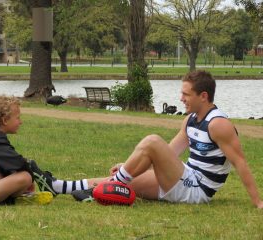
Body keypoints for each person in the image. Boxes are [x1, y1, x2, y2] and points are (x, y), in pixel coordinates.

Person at [73, 70, 263, 208]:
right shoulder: (190, 120)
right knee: (126, 179)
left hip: (196, 190)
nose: (181, 98)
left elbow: (240, 163)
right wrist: (129, 166)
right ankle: (59, 186)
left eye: (186, 94)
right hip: (183, 177)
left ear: (203, 96)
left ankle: (114, 182)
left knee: (153, 141)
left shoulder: (218, 124)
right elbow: (168, 155)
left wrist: (258, 202)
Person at [0, 95, 91, 206]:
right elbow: (19, 163)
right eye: (18, 118)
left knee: (8, 174)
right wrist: (32, 177)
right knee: (24, 177)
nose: (21, 122)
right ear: (5, 120)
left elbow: (6, 165)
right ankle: (16, 199)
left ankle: (20, 196)